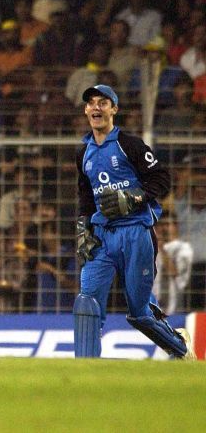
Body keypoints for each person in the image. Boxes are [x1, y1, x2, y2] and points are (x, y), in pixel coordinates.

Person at [73, 84, 194, 360]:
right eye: (91, 103)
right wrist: (83, 227)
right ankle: (85, 370)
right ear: (85, 110)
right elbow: (85, 195)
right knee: (87, 301)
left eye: (103, 103)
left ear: (114, 109)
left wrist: (135, 197)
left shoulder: (130, 145)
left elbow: (162, 180)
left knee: (139, 312)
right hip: (102, 236)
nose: (96, 108)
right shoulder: (83, 153)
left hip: (136, 233)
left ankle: (180, 348)